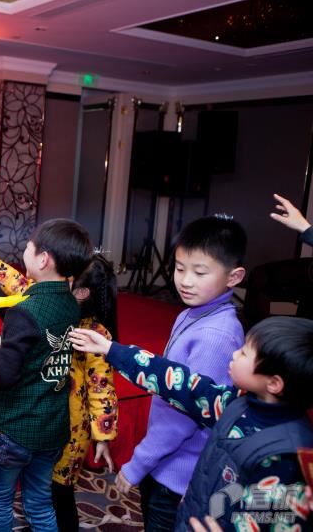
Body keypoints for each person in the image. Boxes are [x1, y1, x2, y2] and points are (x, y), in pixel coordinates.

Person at [69, 316, 313, 531]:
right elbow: (180, 383)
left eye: (245, 353)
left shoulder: (288, 456)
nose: (235, 353)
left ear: (274, 383)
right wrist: (112, 350)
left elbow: (278, 520)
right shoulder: (236, 403)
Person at [0, 236, 118, 532]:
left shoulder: (89, 329)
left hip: (45, 422)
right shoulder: (58, 301)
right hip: (52, 424)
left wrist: (103, 435)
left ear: (80, 291)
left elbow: (101, 386)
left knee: (39, 496)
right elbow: (14, 288)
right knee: (40, 501)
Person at [115, 215, 246, 532]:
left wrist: (138, 463)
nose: (185, 281)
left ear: (234, 276)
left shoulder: (216, 336)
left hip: (180, 475)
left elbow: (182, 417)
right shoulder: (193, 313)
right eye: (179, 268)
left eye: (200, 272)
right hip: (165, 462)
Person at [0, 219, 92, 532]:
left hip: (13, 428)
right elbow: (30, 331)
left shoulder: (27, 310)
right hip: (51, 429)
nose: (24, 251)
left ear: (42, 259)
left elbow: (3, 374)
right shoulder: (70, 303)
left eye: (28, 246)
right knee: (40, 502)